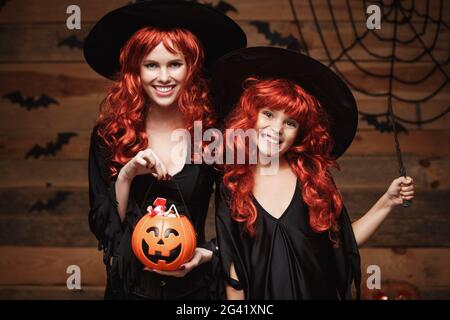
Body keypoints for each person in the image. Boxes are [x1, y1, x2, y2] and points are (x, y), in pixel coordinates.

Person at [211, 47, 415, 300]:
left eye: (290, 123)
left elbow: (343, 245)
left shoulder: (312, 180)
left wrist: (388, 201)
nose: (276, 129)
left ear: (300, 133)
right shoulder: (232, 184)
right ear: (250, 116)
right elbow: (233, 269)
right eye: (268, 114)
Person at [84, 1, 246, 299]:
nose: (163, 77)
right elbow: (103, 227)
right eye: (151, 65)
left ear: (191, 68)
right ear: (136, 71)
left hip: (195, 290)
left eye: (174, 64)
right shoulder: (109, 135)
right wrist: (127, 175)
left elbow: (237, 217)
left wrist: (208, 254)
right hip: (128, 289)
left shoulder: (212, 135)